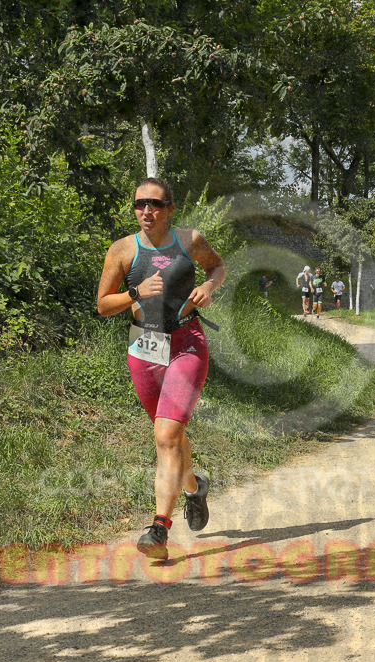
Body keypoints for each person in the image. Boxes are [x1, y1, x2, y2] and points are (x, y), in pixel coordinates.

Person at [96, 178, 226, 558]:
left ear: (170, 208)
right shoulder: (122, 250)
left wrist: (209, 286)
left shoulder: (190, 241)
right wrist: (136, 293)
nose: (146, 211)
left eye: (155, 204)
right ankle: (193, 487)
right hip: (144, 350)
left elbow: (217, 267)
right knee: (169, 436)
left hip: (187, 344)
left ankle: (159, 531)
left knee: (167, 435)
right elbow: (103, 305)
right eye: (139, 204)